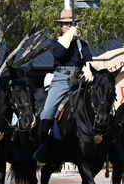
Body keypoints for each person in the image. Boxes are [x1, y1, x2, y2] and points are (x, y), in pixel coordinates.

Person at [35, 9, 93, 161]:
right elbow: (60, 54)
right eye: (66, 24)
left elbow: (88, 59)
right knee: (47, 110)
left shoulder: (82, 44)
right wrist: (68, 36)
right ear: (62, 26)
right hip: (62, 78)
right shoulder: (56, 42)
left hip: (80, 78)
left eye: (72, 24)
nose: (69, 26)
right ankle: (44, 145)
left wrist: (89, 70)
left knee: (99, 103)